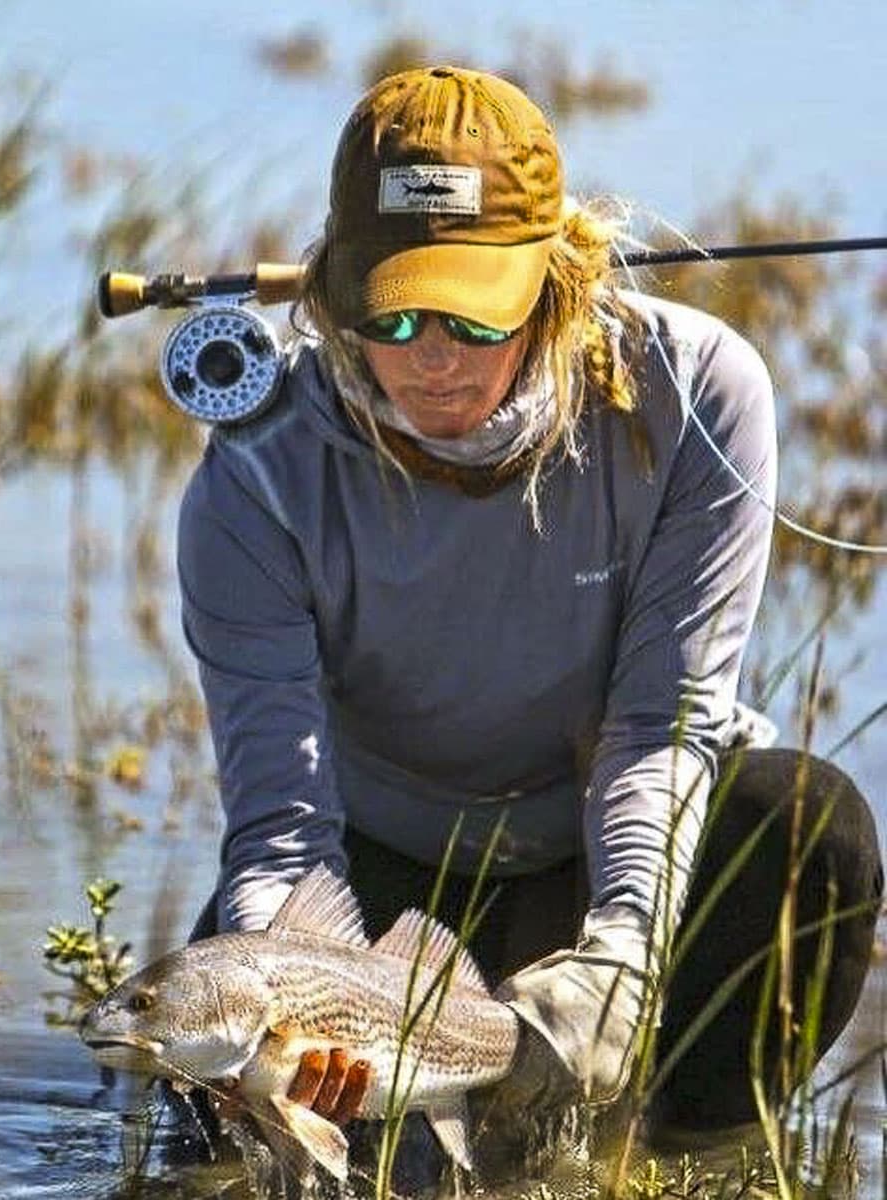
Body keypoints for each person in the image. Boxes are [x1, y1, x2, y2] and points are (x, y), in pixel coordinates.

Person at [174, 64, 884, 1171]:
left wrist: (623, 959)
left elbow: (661, 729)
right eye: (393, 313)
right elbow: (282, 822)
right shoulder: (253, 478)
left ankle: (685, 1164)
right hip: (381, 878)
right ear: (335, 294)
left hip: (607, 852)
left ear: (558, 283)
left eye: (472, 312)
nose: (432, 357)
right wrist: (288, 989)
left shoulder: (699, 392)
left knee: (812, 829)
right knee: (227, 1096)